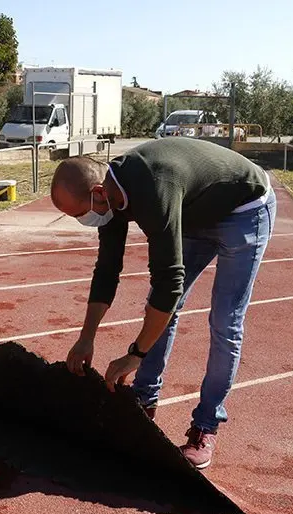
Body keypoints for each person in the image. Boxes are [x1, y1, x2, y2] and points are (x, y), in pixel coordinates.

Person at [50, 137, 276, 469]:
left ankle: (206, 426)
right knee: (163, 312)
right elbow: (108, 269)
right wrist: (87, 338)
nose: (82, 223)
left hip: (245, 209)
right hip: (195, 209)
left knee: (224, 322)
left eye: (79, 215)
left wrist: (135, 354)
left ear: (98, 194)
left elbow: (168, 286)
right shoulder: (109, 200)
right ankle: (144, 400)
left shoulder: (153, 189)